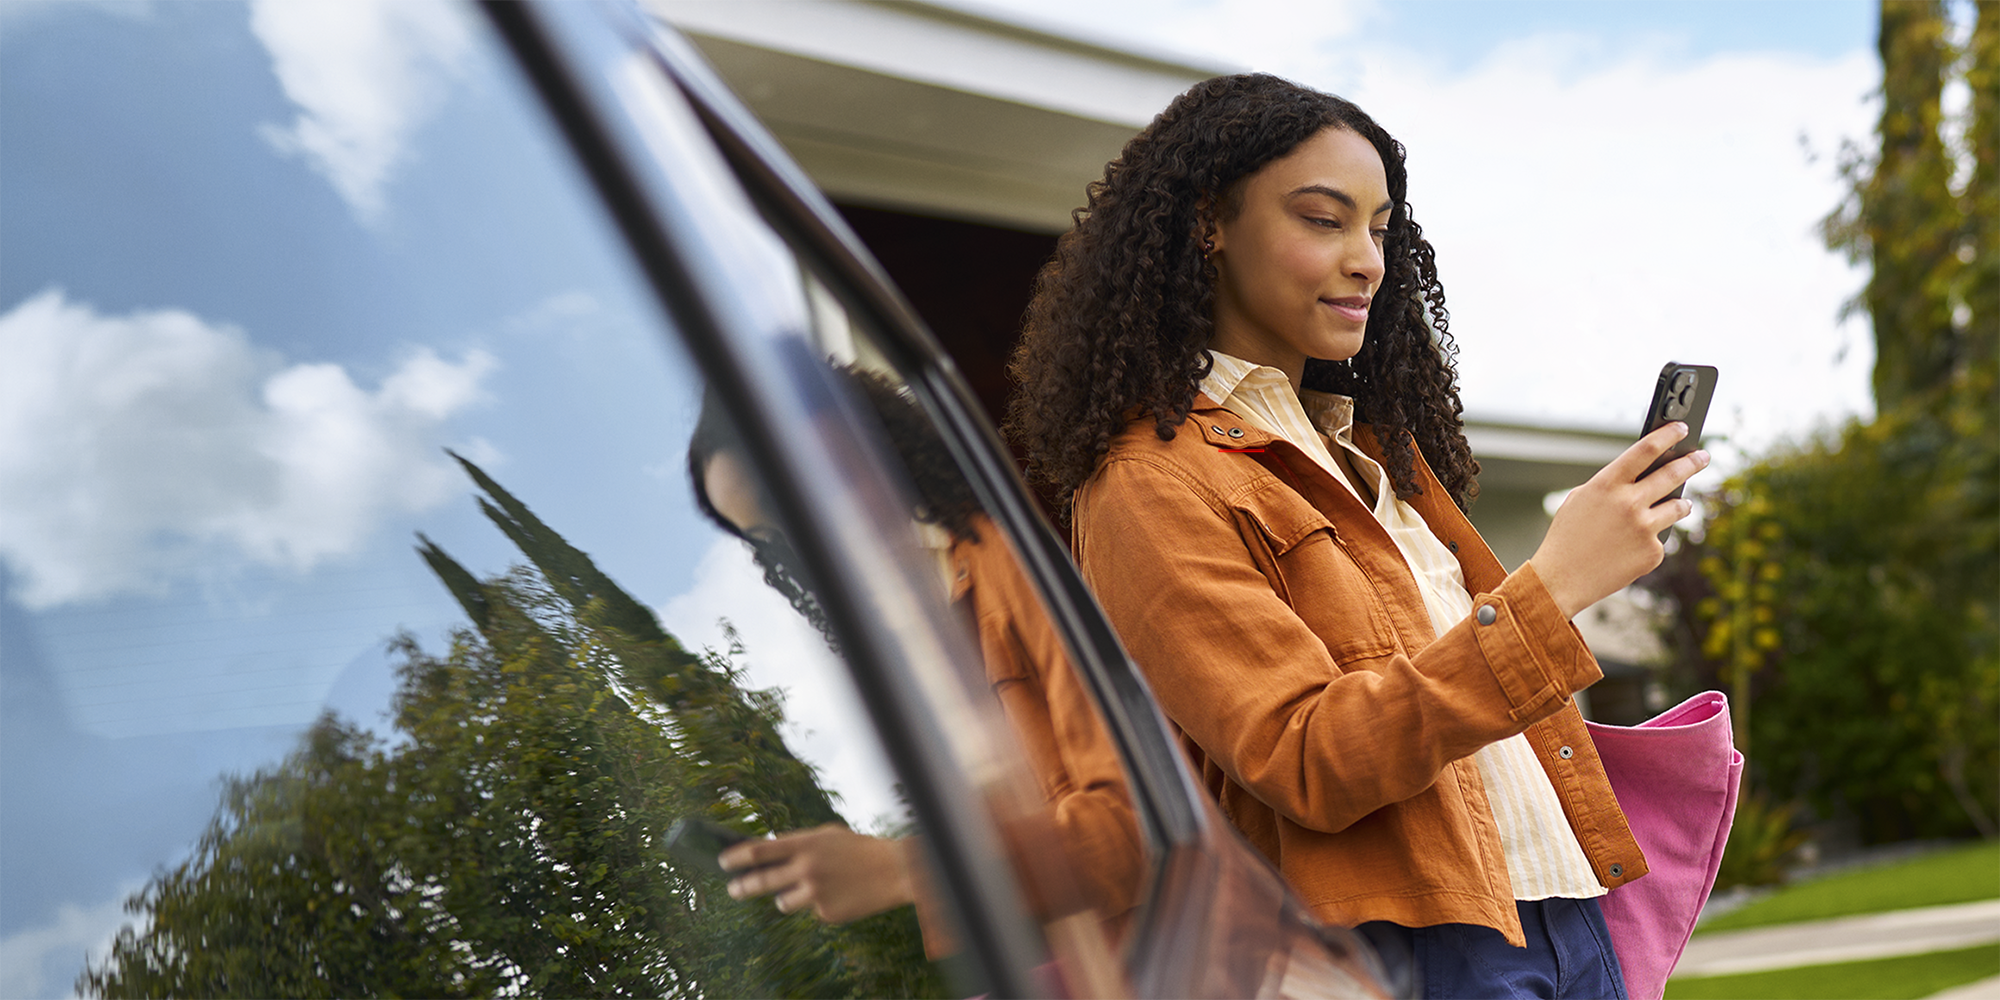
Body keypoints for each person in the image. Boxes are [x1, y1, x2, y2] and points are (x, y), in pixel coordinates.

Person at [1006, 73, 1708, 999]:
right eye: (1323, 220)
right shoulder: (1148, 483)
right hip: (1411, 948)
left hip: (1563, 910)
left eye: (1379, 230)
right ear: (1209, 224)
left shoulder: (1369, 453)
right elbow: (1305, 756)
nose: (1367, 260)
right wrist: (1555, 587)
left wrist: (1571, 575)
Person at [685, 377, 1144, 942]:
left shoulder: (1004, 559)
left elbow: (1144, 822)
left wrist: (904, 870)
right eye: (767, 535)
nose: (795, 539)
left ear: (838, 434)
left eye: (782, 498)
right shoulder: (907, 640)